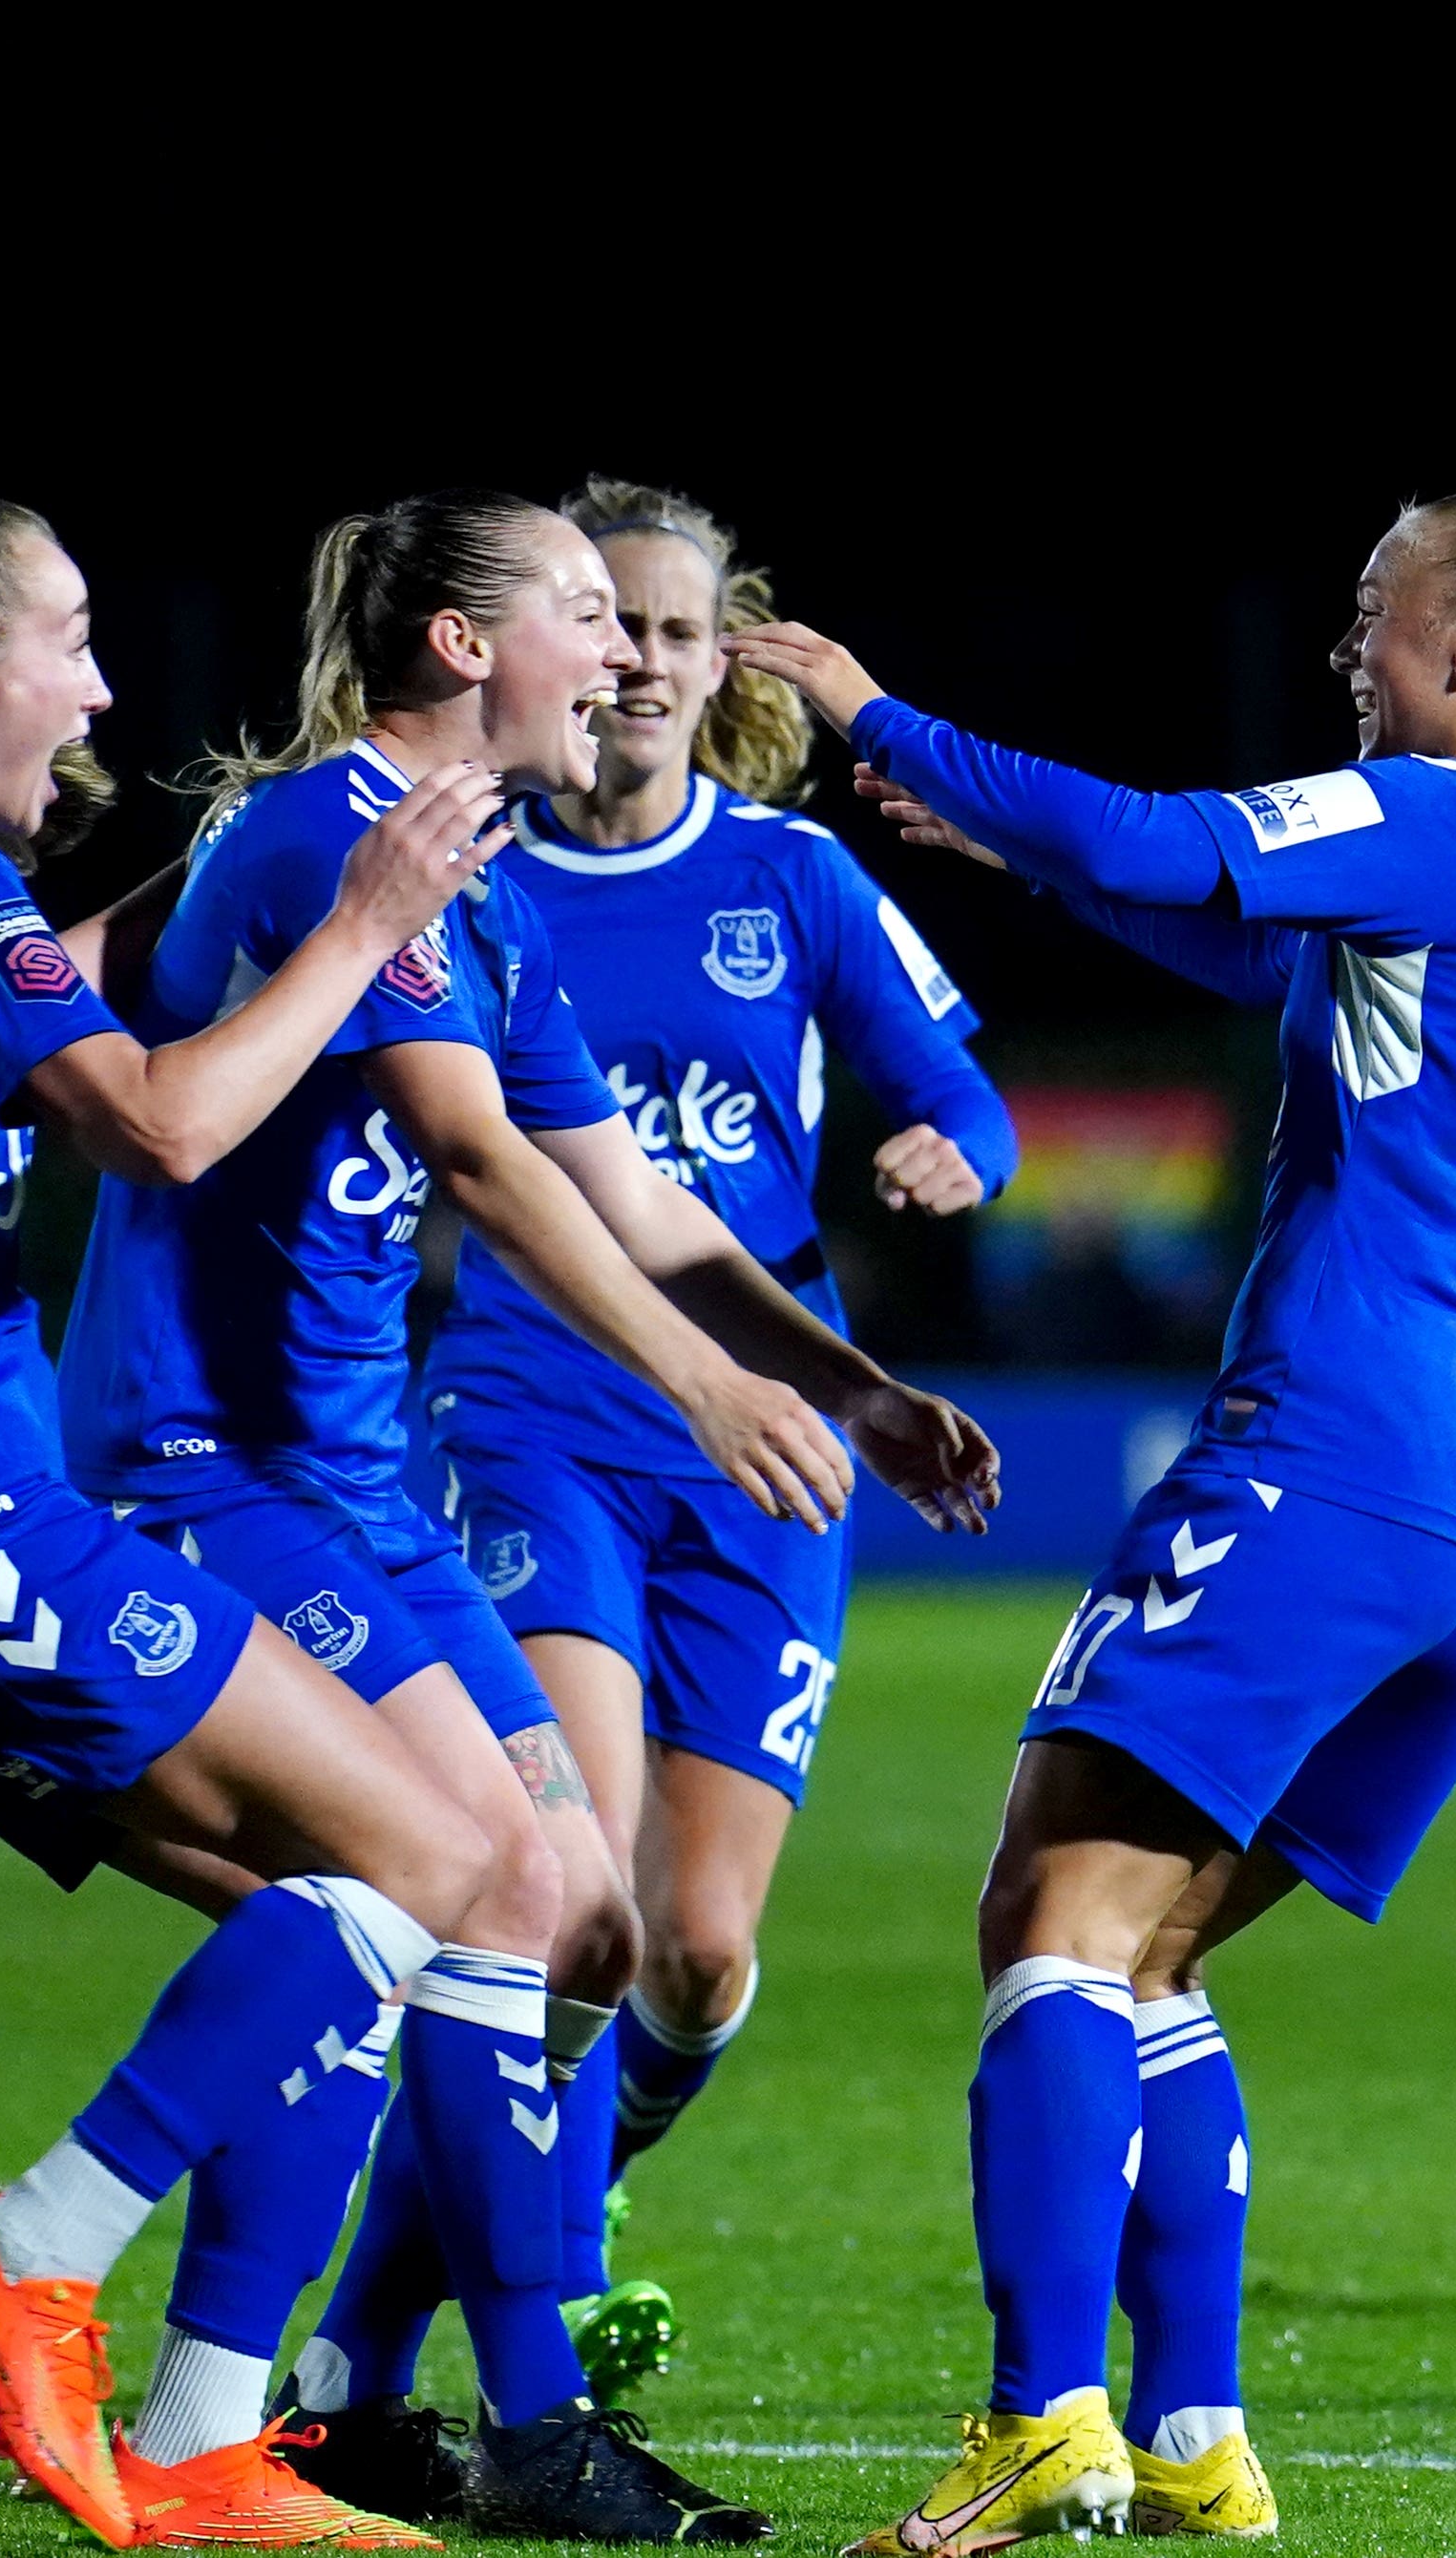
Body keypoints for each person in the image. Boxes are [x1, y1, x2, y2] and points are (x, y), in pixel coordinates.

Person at [728, 449, 1456, 2545]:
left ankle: (1038, 2412)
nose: (1347, 651)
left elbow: (1169, 839)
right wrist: (999, 840)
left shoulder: (1437, 814)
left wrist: (881, 716)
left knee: (1048, 1915)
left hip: (1332, 1450)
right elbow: (1248, 945)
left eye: (1372, 616)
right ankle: (1191, 2436)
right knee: (1149, 1956)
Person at [60, 489, 997, 2544]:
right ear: (468, 649)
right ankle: (447, 2396)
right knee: (476, 1885)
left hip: (355, 1475)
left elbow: (640, 1193)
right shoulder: (334, 835)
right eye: (589, 611)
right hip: (221, 1472)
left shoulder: (476, 881)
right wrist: (706, 1382)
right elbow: (479, 1165)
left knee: (579, 1912)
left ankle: (298, 2399)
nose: (634, 654)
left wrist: (839, 1378)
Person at [0, 464, 534, 2552]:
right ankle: (29, 2246)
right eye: (66, 643)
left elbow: (26, 989)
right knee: (437, 1846)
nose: (100, 684)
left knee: (315, 1932)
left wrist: (185, 895)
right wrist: (356, 924)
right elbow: (159, 1124)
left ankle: (204, 2435)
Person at [413, 479, 1015, 2398]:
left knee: (696, 1943)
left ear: (714, 655)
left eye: (679, 630)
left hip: (765, 1419)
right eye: (620, 627)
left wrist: (953, 1151)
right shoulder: (470, 867)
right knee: (574, 1880)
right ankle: (545, 2298)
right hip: (531, 1400)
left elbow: (959, 1089)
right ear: (570, 652)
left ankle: (570, 2174)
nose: (648, 662)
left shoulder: (790, 879)